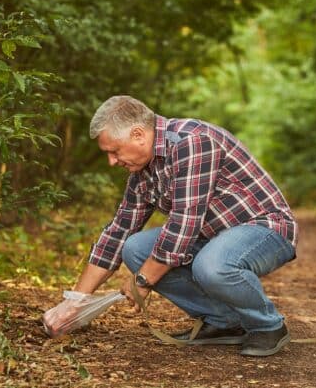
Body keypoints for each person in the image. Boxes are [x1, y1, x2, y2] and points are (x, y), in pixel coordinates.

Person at [72, 95, 298, 357]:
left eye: (114, 151)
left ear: (137, 134)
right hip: (213, 236)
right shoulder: (142, 171)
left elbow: (184, 224)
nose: (112, 161)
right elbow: (118, 231)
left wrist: (143, 280)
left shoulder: (192, 141)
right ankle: (224, 322)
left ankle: (267, 326)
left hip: (266, 229)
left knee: (211, 266)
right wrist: (75, 303)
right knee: (134, 248)